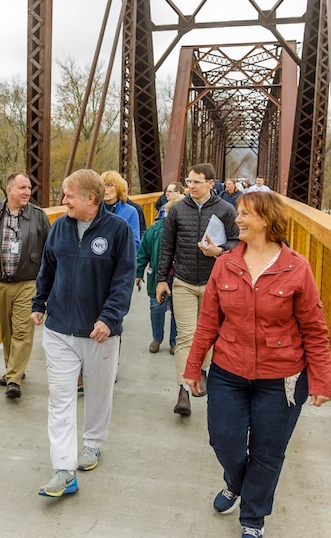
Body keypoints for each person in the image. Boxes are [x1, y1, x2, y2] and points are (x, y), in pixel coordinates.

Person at [183, 191, 331, 537]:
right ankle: (236, 482)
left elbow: (314, 329)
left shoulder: (297, 268)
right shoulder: (225, 264)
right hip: (229, 370)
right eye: (238, 213)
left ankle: (253, 519)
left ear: (266, 220)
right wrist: (192, 367)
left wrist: (322, 380)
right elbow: (208, 322)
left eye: (245, 214)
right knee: (224, 441)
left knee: (268, 452)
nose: (237, 219)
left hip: (281, 377)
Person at [31, 169, 135, 497]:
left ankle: (92, 442)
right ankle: (64, 469)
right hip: (59, 329)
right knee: (60, 398)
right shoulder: (59, 227)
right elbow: (48, 268)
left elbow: (124, 278)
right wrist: (39, 302)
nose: (63, 201)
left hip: (99, 332)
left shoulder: (117, 230)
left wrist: (109, 318)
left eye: (69, 195)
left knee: (98, 391)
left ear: (90, 199)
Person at [156, 163, 239, 416]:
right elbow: (167, 246)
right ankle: (183, 388)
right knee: (186, 335)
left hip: (215, 284)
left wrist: (219, 251)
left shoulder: (226, 209)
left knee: (209, 334)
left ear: (210, 183)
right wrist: (161, 279)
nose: (190, 186)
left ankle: (201, 368)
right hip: (184, 281)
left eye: (196, 182)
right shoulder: (177, 209)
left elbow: (237, 242)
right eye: (188, 181)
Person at [0, 172, 50, 399]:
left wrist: (47, 287)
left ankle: (14, 378)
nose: (27, 192)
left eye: (29, 188)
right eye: (22, 188)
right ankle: (13, 369)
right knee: (6, 332)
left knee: (22, 331)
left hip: (28, 283)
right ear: (9, 190)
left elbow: (50, 252)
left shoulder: (39, 216)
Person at [137, 195, 182, 354]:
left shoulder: (188, 231)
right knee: (157, 307)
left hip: (180, 277)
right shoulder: (155, 229)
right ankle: (157, 338)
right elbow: (143, 252)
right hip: (159, 276)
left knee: (178, 310)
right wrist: (138, 272)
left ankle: (174, 341)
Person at [100, 169, 141, 249]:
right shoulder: (94, 210)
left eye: (108, 185)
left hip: (119, 255)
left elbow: (135, 243)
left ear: (119, 188)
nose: (104, 189)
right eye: (102, 185)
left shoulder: (131, 211)